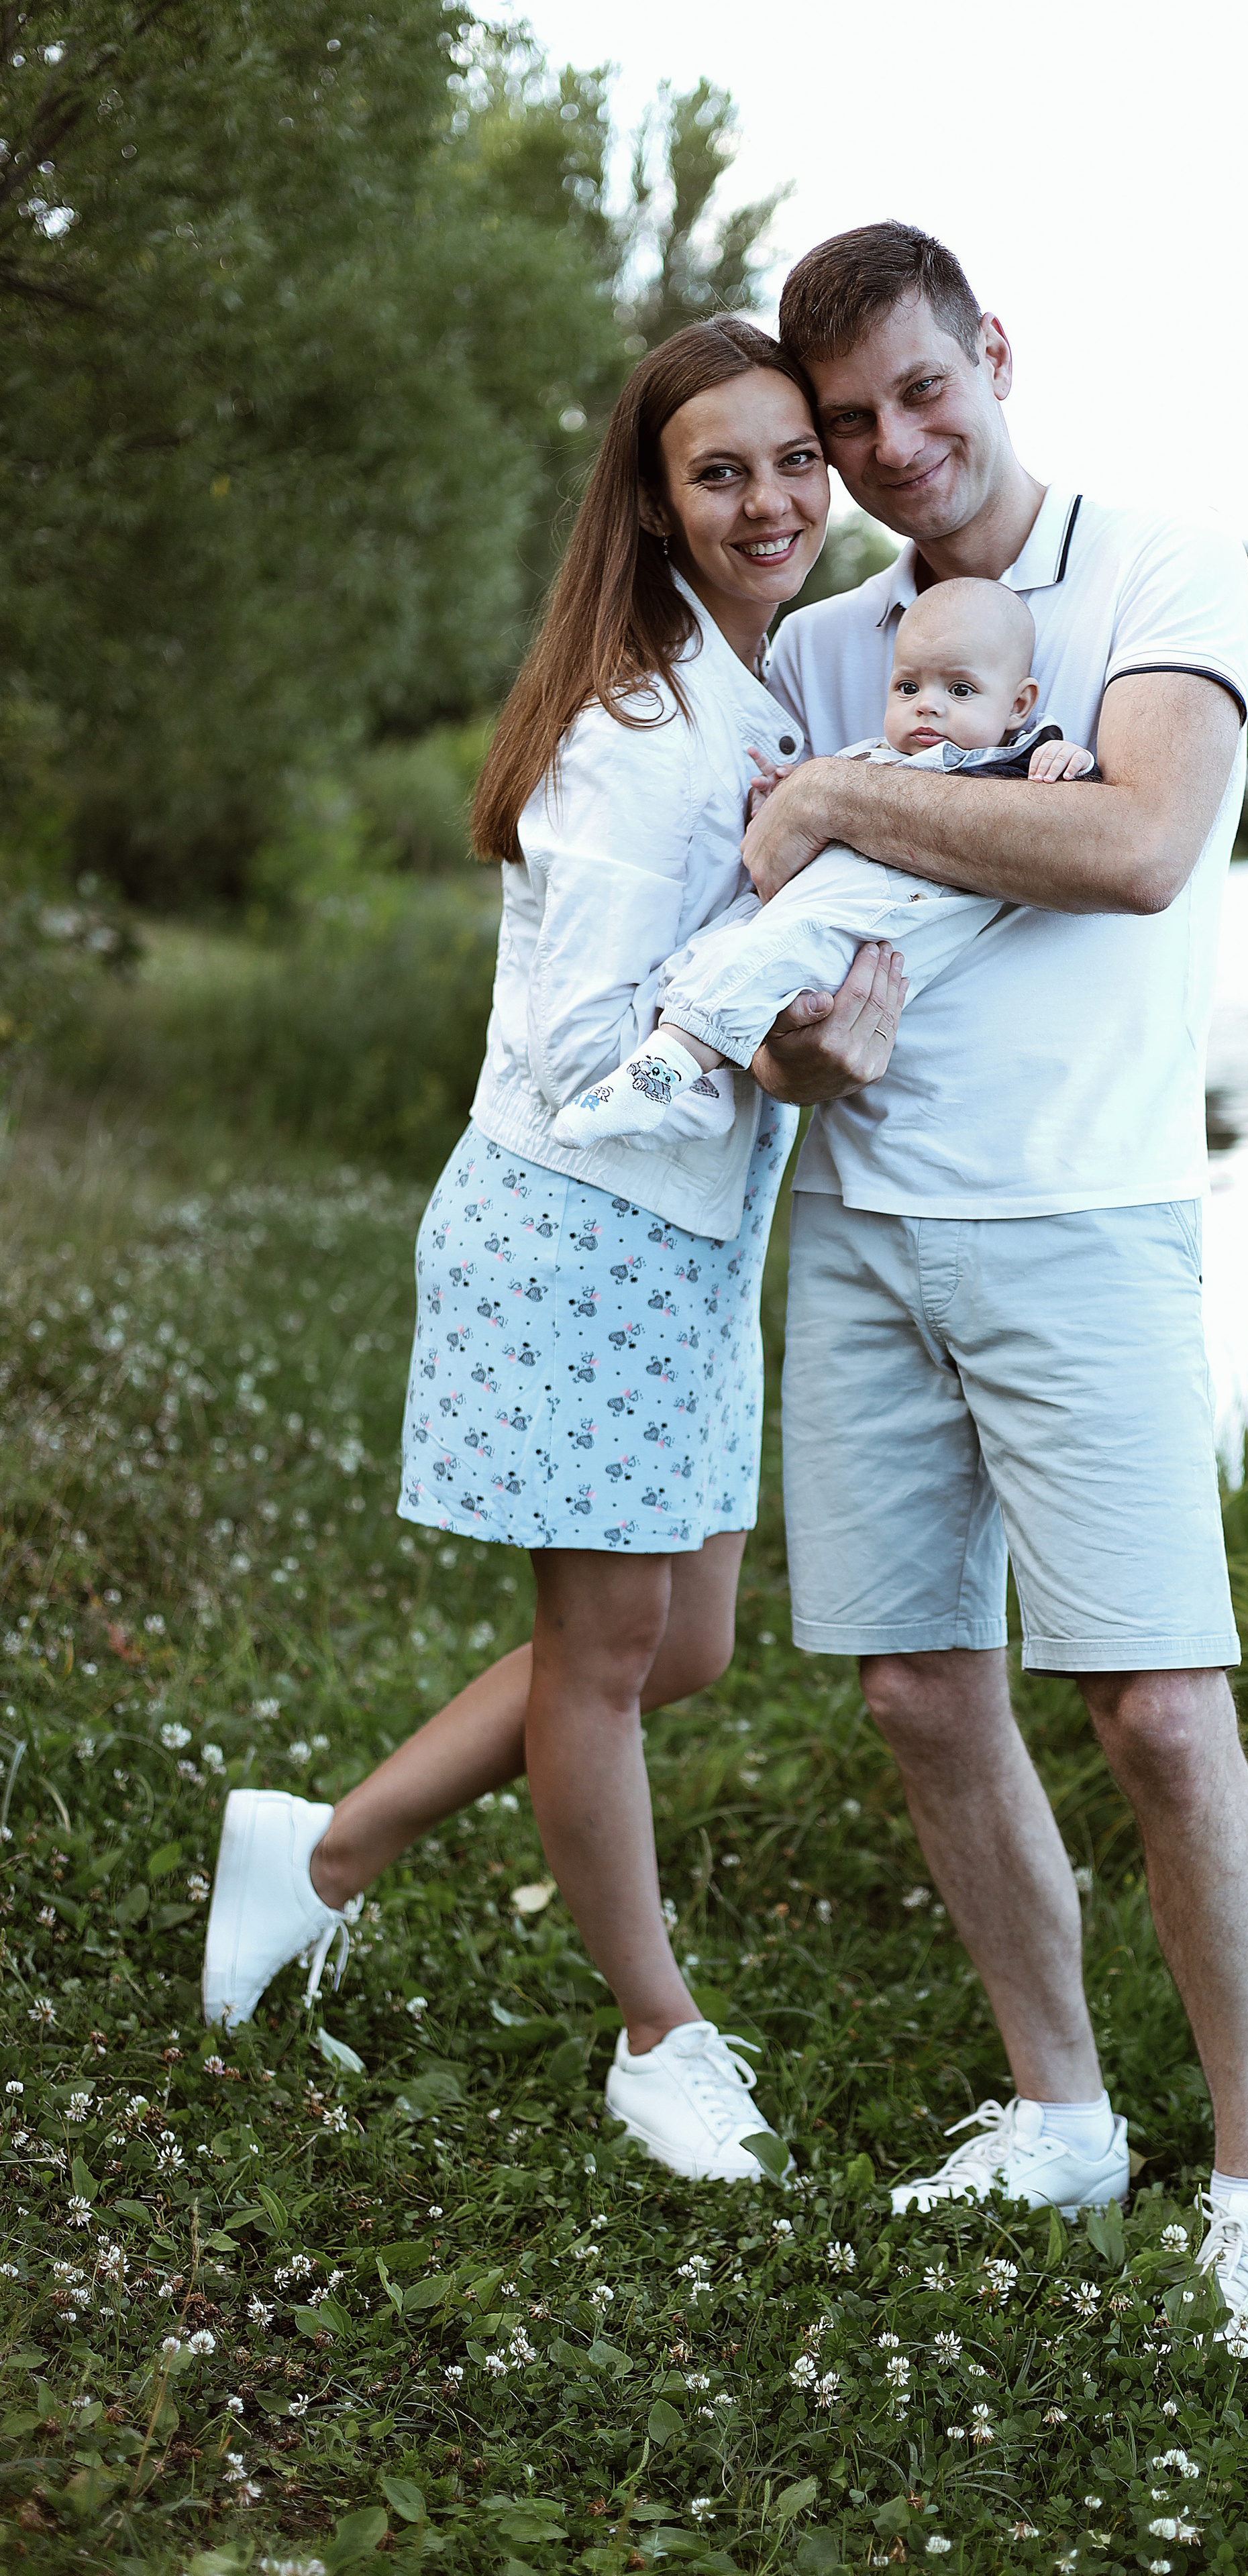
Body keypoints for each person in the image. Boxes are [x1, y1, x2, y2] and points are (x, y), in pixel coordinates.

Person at [200, 316, 906, 2186]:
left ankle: (323, 1851)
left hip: (686, 1245)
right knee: (601, 1660)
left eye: (792, 460)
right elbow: (594, 1052)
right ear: (657, 507)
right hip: (579, 1230)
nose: (771, 501)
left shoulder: (758, 704)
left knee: (684, 1646)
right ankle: (660, 2041)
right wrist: (779, 1036)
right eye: (719, 472)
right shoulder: (639, 737)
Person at [749, 221, 1248, 2323]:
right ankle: (1063, 2113)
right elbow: (778, 951)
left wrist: (850, 798)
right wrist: (798, 1049)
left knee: (1160, 1712)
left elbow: (1138, 845)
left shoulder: (1156, 565)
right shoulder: (823, 649)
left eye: (923, 390)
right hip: (862, 1226)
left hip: (1087, 1222)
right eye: (848, 424)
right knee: (920, 1687)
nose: (896, 446)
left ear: (992, 352)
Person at [554, 576, 1092, 1148]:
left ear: (1018, 705)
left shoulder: (1013, 760)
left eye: (960, 690)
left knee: (767, 958)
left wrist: (1067, 758)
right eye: (908, 686)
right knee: (708, 950)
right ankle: (697, 1088)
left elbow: (1077, 812)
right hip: (812, 904)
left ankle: (655, 1077)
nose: (928, 704)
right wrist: (778, 801)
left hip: (872, 922)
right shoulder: (874, 757)